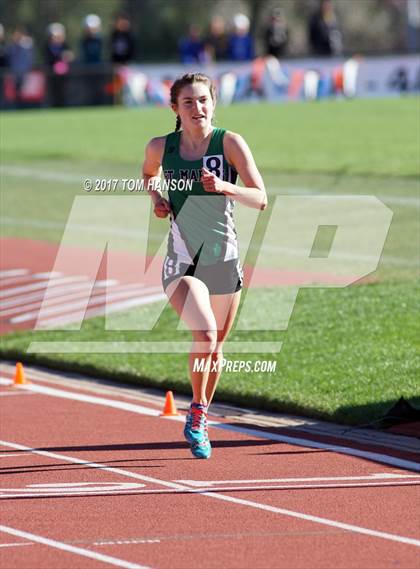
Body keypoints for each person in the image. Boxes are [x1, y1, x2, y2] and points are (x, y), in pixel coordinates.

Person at [142, 73, 267, 459]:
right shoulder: (162, 147)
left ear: (213, 103)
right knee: (206, 335)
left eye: (203, 101)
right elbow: (148, 175)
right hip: (182, 259)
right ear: (175, 109)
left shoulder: (229, 142)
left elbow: (260, 197)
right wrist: (156, 198)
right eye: (188, 102)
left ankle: (200, 412)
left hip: (223, 258)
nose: (197, 108)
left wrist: (227, 187)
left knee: (216, 349)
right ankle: (196, 417)